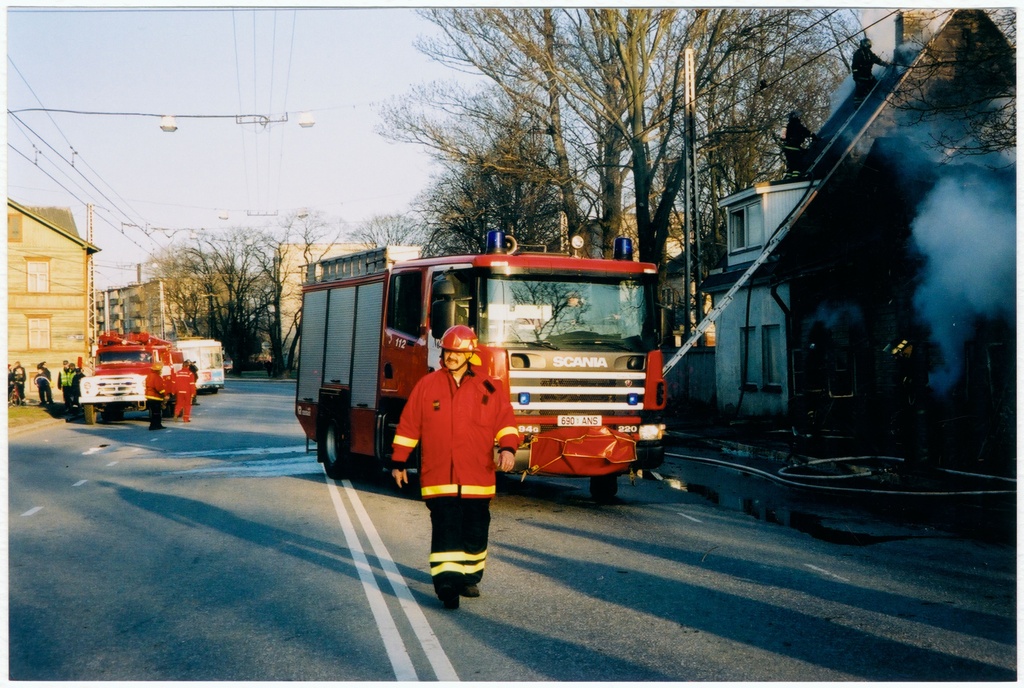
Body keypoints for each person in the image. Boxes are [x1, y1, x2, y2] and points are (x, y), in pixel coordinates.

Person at [390, 325, 520, 610]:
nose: (450, 356)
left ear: (469, 354)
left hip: (478, 475)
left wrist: (508, 448)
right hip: (439, 476)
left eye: (456, 352)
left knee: (475, 529)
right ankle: (447, 583)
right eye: (447, 351)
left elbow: (506, 422)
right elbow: (409, 425)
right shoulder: (428, 385)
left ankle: (469, 577)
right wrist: (399, 460)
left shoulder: (490, 386)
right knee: (446, 526)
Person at [781, 111, 819, 179]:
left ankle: (788, 179)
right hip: (794, 148)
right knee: (797, 166)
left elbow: (783, 138)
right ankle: (795, 179)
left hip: (787, 149)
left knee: (791, 166)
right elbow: (806, 132)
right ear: (796, 117)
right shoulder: (797, 125)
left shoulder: (788, 126)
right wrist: (813, 136)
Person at [852, 37, 889, 102]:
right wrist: (856, 77)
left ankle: (878, 99)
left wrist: (885, 64)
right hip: (861, 77)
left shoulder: (869, 53)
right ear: (863, 44)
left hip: (868, 76)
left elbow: (876, 60)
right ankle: (858, 104)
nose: (867, 45)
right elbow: (854, 67)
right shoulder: (858, 54)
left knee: (876, 86)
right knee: (860, 92)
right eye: (866, 43)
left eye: (868, 43)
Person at [144, 361, 168, 430]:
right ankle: (156, 425)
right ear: (158, 369)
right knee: (157, 412)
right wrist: (164, 394)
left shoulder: (149, 375)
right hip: (155, 397)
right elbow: (159, 388)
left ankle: (154, 425)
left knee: (153, 412)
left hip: (149, 396)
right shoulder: (157, 377)